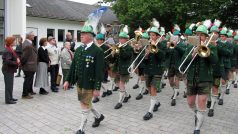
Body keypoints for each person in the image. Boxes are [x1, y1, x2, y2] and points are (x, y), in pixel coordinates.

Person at [63, 25, 105, 134]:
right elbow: (73, 67)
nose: (81, 35)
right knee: (85, 101)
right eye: (81, 34)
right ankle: (99, 116)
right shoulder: (79, 49)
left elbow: (99, 72)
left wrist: (97, 88)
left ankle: (81, 129)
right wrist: (67, 80)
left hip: (90, 83)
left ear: (91, 36)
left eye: (84, 34)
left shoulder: (97, 51)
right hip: (80, 82)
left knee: (84, 104)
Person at [182, 23, 218, 134]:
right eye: (197, 35)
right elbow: (183, 61)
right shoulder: (190, 45)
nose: (199, 37)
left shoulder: (211, 46)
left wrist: (206, 52)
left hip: (205, 79)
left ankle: (197, 128)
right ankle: (197, 113)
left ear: (206, 37)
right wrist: (192, 54)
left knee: (202, 102)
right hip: (191, 78)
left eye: (201, 35)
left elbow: (215, 61)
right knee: (190, 103)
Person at [142, 26, 166, 120]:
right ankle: (156, 103)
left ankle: (150, 112)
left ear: (157, 36)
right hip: (148, 70)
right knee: (149, 89)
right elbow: (144, 61)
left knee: (153, 88)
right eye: (150, 35)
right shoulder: (147, 45)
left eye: (153, 35)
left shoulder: (161, 45)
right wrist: (146, 56)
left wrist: (155, 49)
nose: (151, 37)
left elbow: (162, 57)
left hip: (157, 71)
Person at [113, 28, 134, 109]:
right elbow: (116, 58)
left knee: (121, 84)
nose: (120, 40)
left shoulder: (129, 48)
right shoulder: (118, 46)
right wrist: (113, 53)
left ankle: (119, 102)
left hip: (125, 68)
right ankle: (127, 95)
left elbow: (126, 56)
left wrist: (120, 48)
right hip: (117, 68)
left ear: (126, 39)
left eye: (122, 38)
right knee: (118, 84)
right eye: (120, 38)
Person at [2, 36, 20, 104]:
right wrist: (16, 62)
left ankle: (10, 97)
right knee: (8, 85)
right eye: (14, 41)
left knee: (10, 84)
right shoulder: (8, 50)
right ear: (11, 42)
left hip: (10, 70)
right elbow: (8, 61)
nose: (15, 42)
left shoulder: (10, 49)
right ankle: (8, 100)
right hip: (8, 70)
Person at [21, 31, 37, 99]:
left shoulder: (29, 43)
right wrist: (23, 65)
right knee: (27, 80)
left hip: (31, 65)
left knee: (30, 79)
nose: (34, 36)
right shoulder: (27, 44)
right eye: (33, 35)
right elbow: (24, 57)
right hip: (28, 66)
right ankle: (25, 94)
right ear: (28, 36)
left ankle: (29, 91)